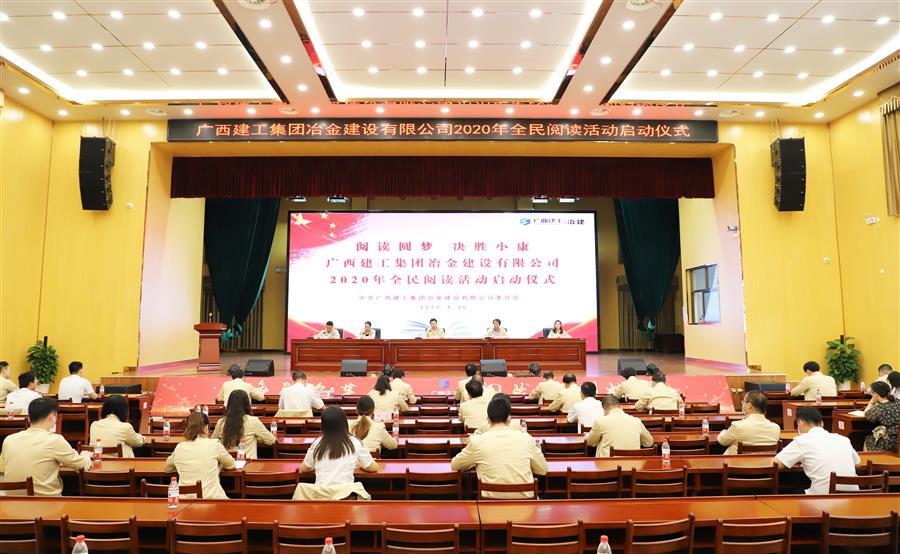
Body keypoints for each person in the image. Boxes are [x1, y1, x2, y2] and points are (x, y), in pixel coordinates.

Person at [451, 394, 547, 498]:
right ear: (509, 419)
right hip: (526, 503)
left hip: (489, 503)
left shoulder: (477, 441)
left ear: (488, 420)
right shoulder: (527, 439)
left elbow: (455, 465)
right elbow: (543, 470)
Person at [0, 397, 92, 496]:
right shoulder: (55, 440)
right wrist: (86, 456)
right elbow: (82, 466)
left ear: (29, 418)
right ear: (52, 417)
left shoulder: (9, 440)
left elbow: (3, 469)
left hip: (12, 501)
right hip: (46, 502)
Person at [295, 406, 378, 500]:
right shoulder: (354, 442)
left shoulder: (317, 443)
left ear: (323, 425)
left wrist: (317, 464)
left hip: (320, 499)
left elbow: (304, 469)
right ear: (345, 423)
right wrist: (359, 464)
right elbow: (373, 467)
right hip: (345, 498)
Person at [773, 406, 860, 494]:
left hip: (821, 498)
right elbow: (857, 464)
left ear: (800, 422)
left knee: (786, 490)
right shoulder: (843, 439)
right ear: (822, 423)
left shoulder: (802, 440)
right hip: (853, 496)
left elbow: (776, 464)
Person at [164, 411, 236, 499]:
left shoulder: (180, 447)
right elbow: (232, 465)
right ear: (206, 427)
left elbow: (167, 468)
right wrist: (219, 465)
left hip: (185, 501)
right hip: (211, 499)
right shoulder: (214, 444)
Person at [212, 390, 276, 459]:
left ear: (229, 404)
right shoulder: (253, 421)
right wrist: (257, 438)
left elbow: (213, 442)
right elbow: (271, 440)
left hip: (227, 463)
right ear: (247, 404)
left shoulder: (221, 422)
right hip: (248, 464)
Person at [716, 390, 781, 455]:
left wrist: (723, 432)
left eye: (743, 402)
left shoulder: (738, 426)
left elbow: (722, 440)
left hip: (737, 461)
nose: (742, 404)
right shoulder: (776, 428)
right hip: (767, 461)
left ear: (749, 405)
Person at [586, 396, 654, 457]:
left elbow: (590, 442)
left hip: (608, 465)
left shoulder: (600, 421)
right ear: (621, 407)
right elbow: (649, 442)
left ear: (605, 409)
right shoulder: (636, 421)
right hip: (633, 464)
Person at [863, 381, 900, 452]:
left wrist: (871, 402)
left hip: (890, 442)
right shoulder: (898, 402)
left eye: (872, 394)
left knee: (868, 440)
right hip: (898, 439)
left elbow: (866, 415)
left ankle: (868, 459)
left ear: (876, 394)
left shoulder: (879, 408)